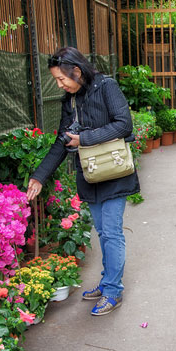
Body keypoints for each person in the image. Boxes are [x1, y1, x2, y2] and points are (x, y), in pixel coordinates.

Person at [26, 46, 139, 316]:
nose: (60, 84)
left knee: (111, 232)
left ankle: (113, 290)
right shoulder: (70, 100)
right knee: (102, 231)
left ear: (76, 71)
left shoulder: (106, 87)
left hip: (113, 172)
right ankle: (107, 280)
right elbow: (61, 142)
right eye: (56, 79)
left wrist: (85, 138)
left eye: (62, 78)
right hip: (89, 174)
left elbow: (125, 125)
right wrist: (40, 176)